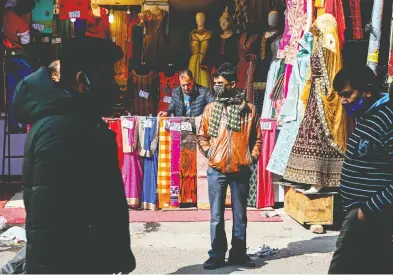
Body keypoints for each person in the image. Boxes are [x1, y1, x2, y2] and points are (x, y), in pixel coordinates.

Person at [11, 37, 136, 274]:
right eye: (106, 77)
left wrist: (118, 253)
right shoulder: (59, 131)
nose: (114, 85)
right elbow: (47, 226)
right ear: (81, 80)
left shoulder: (84, 123)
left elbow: (100, 202)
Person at [197, 63, 262, 270]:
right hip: (216, 169)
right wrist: (210, 153)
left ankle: (238, 254)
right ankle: (216, 255)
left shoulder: (249, 110)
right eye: (215, 83)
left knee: (240, 217)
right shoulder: (211, 108)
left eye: (221, 84)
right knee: (216, 217)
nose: (216, 87)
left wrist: (250, 158)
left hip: (240, 169)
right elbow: (202, 136)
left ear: (232, 84)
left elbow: (257, 140)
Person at [328, 66, 393, 274]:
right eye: (340, 96)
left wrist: (368, 209)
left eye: (347, 94)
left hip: (371, 214)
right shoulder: (367, 116)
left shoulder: (387, 120)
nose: (343, 101)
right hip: (360, 214)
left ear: (368, 91)